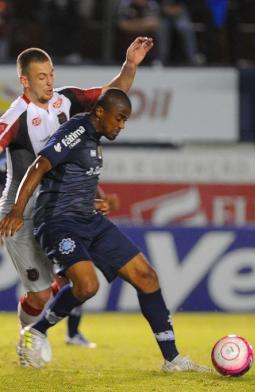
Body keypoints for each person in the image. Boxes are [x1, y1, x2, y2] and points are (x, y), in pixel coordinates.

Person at [0, 88, 211, 373]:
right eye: (119, 118)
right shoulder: (76, 130)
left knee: (147, 277)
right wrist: (16, 209)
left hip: (88, 220)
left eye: (125, 120)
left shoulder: (93, 138)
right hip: (58, 221)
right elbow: (39, 165)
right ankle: (36, 332)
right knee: (87, 286)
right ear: (100, 112)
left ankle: (172, 359)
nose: (121, 126)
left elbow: (72, 177)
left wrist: (94, 200)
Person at [0, 37, 154, 366]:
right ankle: (28, 340)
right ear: (24, 80)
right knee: (40, 295)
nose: (49, 81)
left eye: (51, 73)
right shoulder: (15, 116)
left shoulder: (66, 101)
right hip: (20, 212)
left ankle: (39, 335)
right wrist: (11, 206)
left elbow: (111, 96)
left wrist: (130, 65)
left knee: (76, 278)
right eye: (41, 76)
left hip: (58, 207)